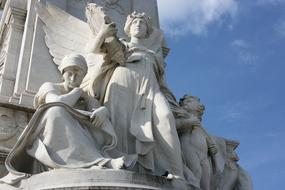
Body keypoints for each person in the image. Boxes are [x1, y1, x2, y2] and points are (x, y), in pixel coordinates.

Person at [0, 54, 126, 185]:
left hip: (77, 134)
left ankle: (93, 160)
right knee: (56, 111)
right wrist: (77, 92)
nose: (73, 78)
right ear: (62, 73)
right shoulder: (50, 86)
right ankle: (101, 162)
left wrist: (103, 111)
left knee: (99, 120)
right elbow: (56, 102)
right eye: (69, 73)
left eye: (78, 75)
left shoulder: (86, 97)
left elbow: (98, 109)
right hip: (49, 133)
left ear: (83, 76)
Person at [87, 12, 184, 178]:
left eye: (142, 23)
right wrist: (103, 32)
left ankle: (176, 173)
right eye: (134, 23)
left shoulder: (155, 53)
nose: (138, 25)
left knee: (166, 118)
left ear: (148, 30)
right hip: (122, 83)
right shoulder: (121, 44)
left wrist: (173, 102)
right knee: (121, 124)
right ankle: (121, 164)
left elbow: (162, 81)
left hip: (151, 89)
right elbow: (93, 50)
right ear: (128, 29)